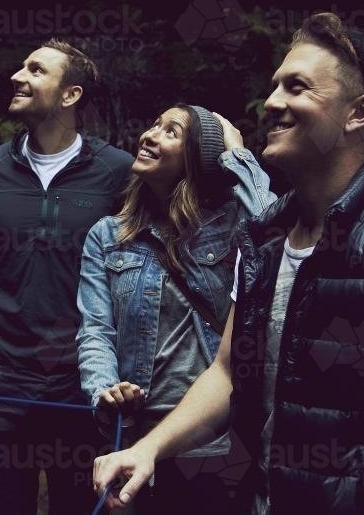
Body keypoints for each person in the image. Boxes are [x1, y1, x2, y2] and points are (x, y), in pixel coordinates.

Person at [92, 12, 364, 514]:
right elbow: (227, 372)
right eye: (273, 87)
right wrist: (147, 450)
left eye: (297, 87)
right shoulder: (264, 239)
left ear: (359, 113)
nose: (271, 102)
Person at [0, 39, 134, 514]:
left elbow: (141, 262)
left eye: (35, 70)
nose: (17, 76)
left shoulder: (116, 171)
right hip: (1, 376)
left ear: (70, 95)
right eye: (20, 65)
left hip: (78, 379)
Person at [77, 103, 275, 514]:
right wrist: (104, 389)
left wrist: (237, 156)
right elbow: (95, 329)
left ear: (196, 158)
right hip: (130, 437)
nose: (149, 135)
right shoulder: (107, 236)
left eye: (171, 132)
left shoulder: (234, 227)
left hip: (212, 444)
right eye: (153, 124)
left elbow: (273, 233)